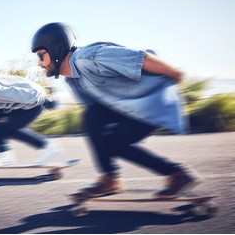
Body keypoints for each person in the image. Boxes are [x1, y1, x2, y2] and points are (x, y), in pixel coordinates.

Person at [31, 22, 200, 199]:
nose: (40, 64)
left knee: (106, 133)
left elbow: (142, 59)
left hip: (153, 102)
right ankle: (117, 179)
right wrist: (106, 144)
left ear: (56, 49)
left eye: (41, 56)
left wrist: (176, 74)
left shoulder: (90, 57)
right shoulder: (72, 81)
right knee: (99, 125)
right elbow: (98, 114)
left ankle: (172, 175)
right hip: (131, 108)